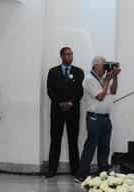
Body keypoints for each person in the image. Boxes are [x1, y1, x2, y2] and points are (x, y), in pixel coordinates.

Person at [77, 57, 119, 181]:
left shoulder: (102, 79)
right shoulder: (89, 79)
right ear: (95, 66)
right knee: (91, 146)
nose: (106, 67)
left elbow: (113, 90)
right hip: (94, 118)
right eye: (103, 65)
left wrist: (115, 77)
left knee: (105, 146)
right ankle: (81, 175)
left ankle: (103, 172)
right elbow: (100, 96)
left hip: (106, 117)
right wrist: (107, 79)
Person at [45, 47, 84, 177]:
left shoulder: (79, 72)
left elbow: (79, 92)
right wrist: (60, 103)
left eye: (71, 54)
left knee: (73, 141)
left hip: (73, 111)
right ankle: (51, 170)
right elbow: (50, 91)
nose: (70, 57)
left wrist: (70, 103)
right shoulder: (53, 72)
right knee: (55, 141)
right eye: (67, 54)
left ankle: (75, 170)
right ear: (61, 56)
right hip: (57, 111)